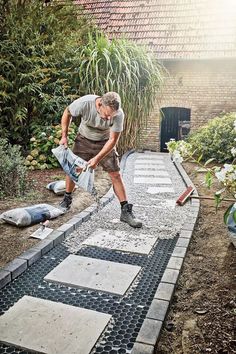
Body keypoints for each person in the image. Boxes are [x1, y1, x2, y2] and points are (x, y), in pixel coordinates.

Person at [59, 92, 142, 228]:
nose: (109, 118)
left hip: (105, 142)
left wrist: (97, 159)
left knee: (115, 174)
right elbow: (67, 113)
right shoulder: (84, 103)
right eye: (107, 114)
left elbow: (113, 140)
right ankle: (66, 200)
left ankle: (125, 211)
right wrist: (64, 136)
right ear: (99, 104)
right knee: (72, 170)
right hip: (83, 139)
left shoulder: (118, 114)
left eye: (112, 116)